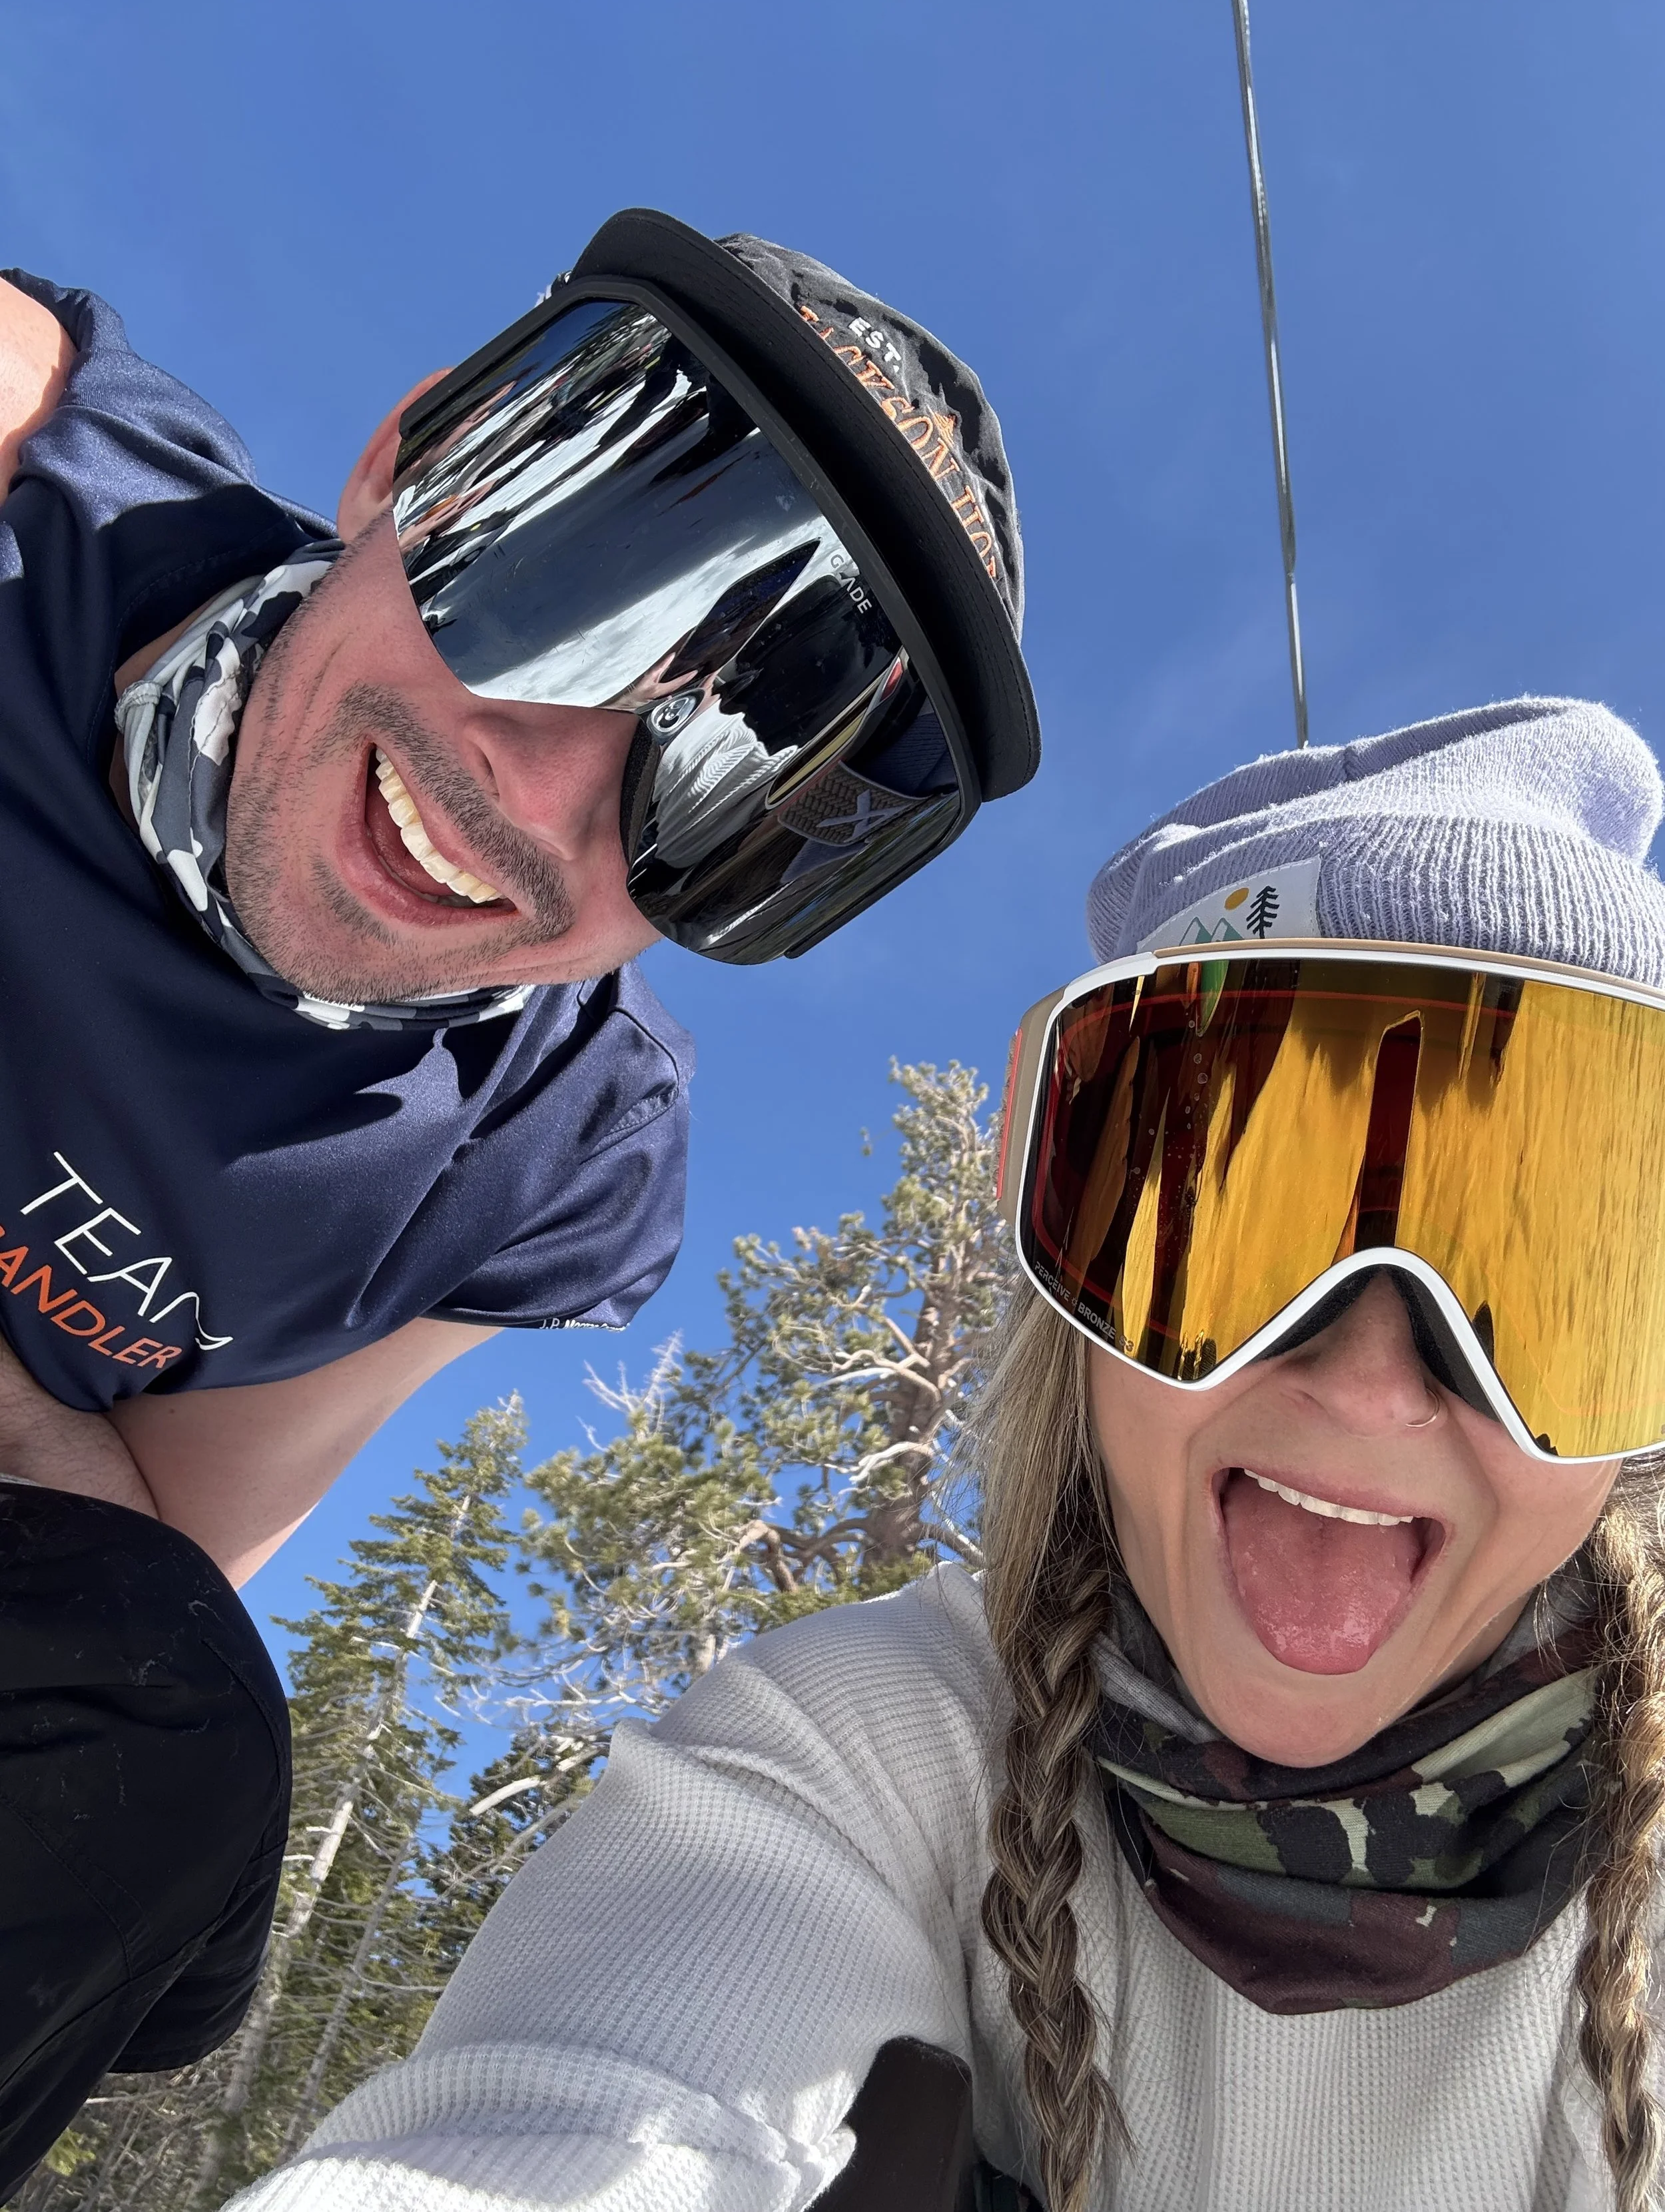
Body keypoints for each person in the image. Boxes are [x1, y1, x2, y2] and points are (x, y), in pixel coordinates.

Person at [224, 697, 1665, 2212]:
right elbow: (559, 2128)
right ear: (1073, 1263)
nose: (1372, 1384)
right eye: (1235, 1215)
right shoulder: (871, 1749)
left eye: (1551, 1279)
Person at [0, 210, 1037, 2197]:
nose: (539, 797)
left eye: (725, 799)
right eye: (568, 575)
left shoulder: (544, 1161)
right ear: (401, 456)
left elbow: (129, 1558)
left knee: (172, 1740)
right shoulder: (36, 468)